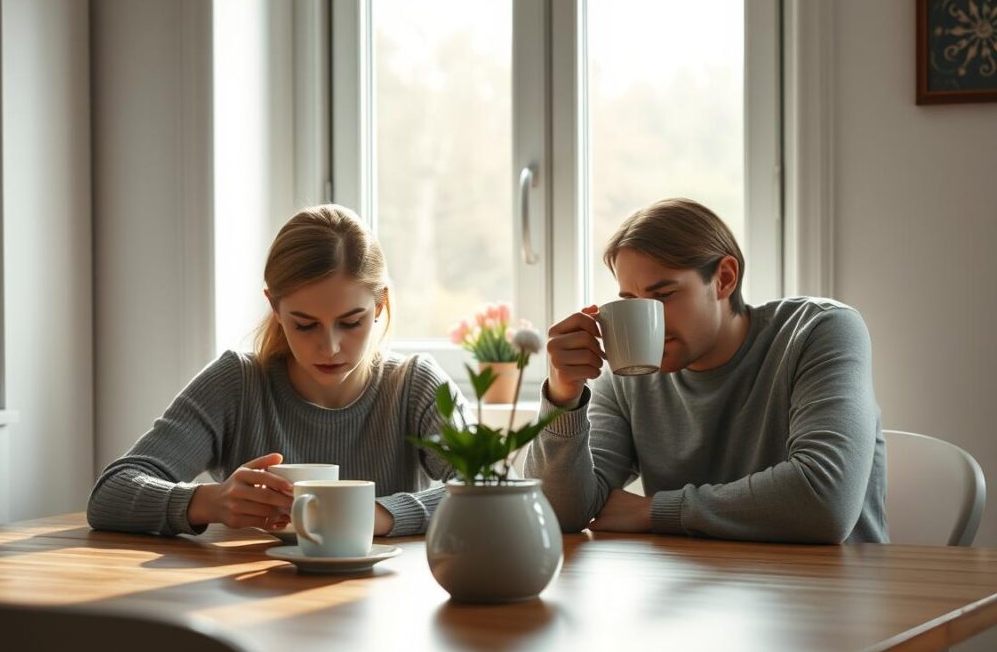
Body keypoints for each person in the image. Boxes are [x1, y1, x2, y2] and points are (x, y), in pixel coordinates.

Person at [88, 204, 470, 538]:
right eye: (305, 325)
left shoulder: (415, 385)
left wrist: (373, 516)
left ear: (380, 304)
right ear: (275, 308)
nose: (330, 347)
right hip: (249, 594)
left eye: (351, 322)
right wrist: (210, 502)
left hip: (383, 594)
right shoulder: (237, 384)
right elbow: (110, 494)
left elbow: (485, 486)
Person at [525, 198, 886, 543]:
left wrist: (657, 511)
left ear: (724, 278)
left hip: (833, 580)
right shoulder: (629, 378)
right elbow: (558, 513)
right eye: (631, 301)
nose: (648, 320)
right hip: (699, 582)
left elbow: (825, 501)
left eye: (663, 295)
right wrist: (563, 396)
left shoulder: (819, 331)